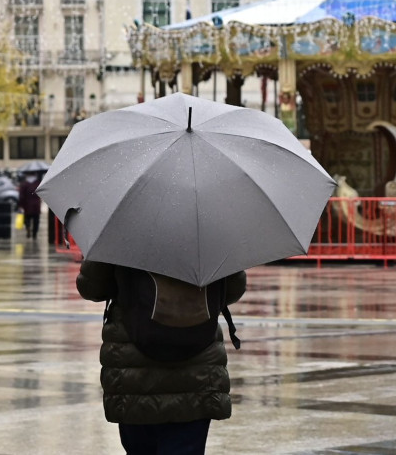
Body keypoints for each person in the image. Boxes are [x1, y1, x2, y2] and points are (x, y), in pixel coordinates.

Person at [77, 260, 247, 455]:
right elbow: (234, 289)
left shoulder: (121, 234)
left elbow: (91, 287)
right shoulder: (213, 236)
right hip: (197, 370)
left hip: (134, 372)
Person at [16, 173, 42, 241]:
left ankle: (28, 228)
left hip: (27, 205)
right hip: (36, 205)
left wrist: (20, 205)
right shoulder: (38, 183)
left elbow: (21, 196)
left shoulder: (24, 184)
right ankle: (34, 234)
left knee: (27, 219)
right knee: (36, 221)